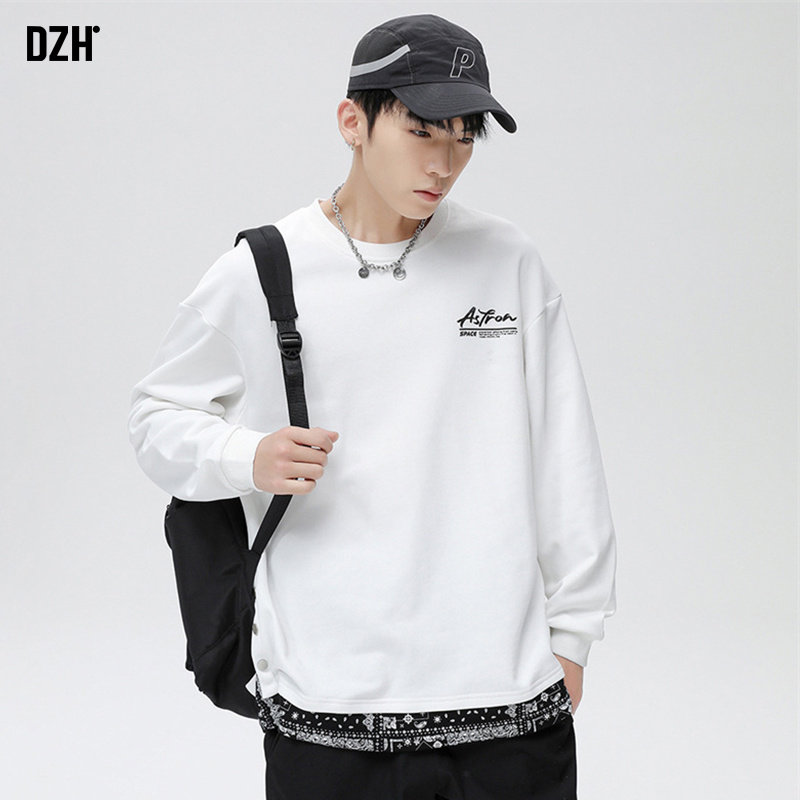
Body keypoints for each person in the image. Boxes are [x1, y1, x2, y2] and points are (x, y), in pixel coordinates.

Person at [128, 13, 617, 800]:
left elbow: (566, 455)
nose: (445, 162)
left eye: (465, 137)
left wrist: (574, 636)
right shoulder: (267, 268)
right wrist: (246, 455)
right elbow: (156, 417)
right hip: (327, 704)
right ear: (353, 122)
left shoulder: (508, 261)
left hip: (508, 698)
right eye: (422, 131)